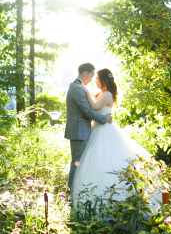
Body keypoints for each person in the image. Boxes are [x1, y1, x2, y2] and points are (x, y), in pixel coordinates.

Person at [71, 68, 159, 209]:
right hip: (97, 128)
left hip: (103, 129)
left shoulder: (107, 95)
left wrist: (85, 91)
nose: (95, 81)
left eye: (98, 79)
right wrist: (84, 90)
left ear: (105, 80)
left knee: (106, 160)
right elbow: (93, 98)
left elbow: (93, 106)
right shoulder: (102, 93)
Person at [65, 63, 113, 195]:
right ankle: (71, 194)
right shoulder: (77, 88)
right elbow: (87, 110)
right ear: (85, 73)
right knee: (77, 162)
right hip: (79, 131)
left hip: (83, 130)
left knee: (81, 162)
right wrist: (105, 119)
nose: (92, 79)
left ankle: (79, 193)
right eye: (92, 76)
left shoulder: (77, 87)